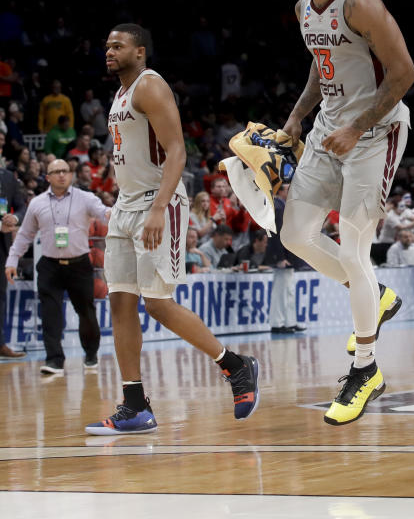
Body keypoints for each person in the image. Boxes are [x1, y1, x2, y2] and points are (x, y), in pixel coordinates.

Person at [85, 24, 259, 436]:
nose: (108, 51)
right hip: (126, 207)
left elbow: (178, 150)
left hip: (156, 203)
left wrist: (160, 207)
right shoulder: (122, 93)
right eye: (106, 45)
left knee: (158, 304)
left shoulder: (150, 86)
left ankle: (235, 366)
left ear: (140, 51)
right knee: (120, 303)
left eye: (117, 45)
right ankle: (135, 405)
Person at [278, 0, 414, 426]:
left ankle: (366, 369)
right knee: (294, 235)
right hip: (327, 132)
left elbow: (404, 73)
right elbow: (322, 61)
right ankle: (376, 295)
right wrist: (296, 118)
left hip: (374, 134)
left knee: (355, 248)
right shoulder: (302, 7)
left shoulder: (361, 3)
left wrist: (357, 127)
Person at [4, 159, 108, 374]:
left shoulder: (85, 198)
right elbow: (25, 235)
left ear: (70, 175)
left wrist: (118, 214)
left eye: (65, 171)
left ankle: (90, 354)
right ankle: (54, 360)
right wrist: (12, 260)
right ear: (48, 177)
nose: (61, 175)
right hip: (50, 265)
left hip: (79, 264)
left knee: (86, 312)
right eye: (56, 172)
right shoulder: (38, 203)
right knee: (50, 314)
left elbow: (103, 213)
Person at [268, 184, 305, 334]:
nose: (291, 191)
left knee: (288, 290)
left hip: (288, 255)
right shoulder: (277, 207)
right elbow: (275, 235)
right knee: (281, 290)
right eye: (288, 189)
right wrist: (280, 257)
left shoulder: (283, 206)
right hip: (282, 255)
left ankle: (290, 321)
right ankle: (277, 323)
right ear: (280, 191)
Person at [0, 165, 26, 358]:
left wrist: (15, 218)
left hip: (2, 244)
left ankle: (1, 344)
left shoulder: (8, 176)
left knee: (0, 296)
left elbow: (22, 205)